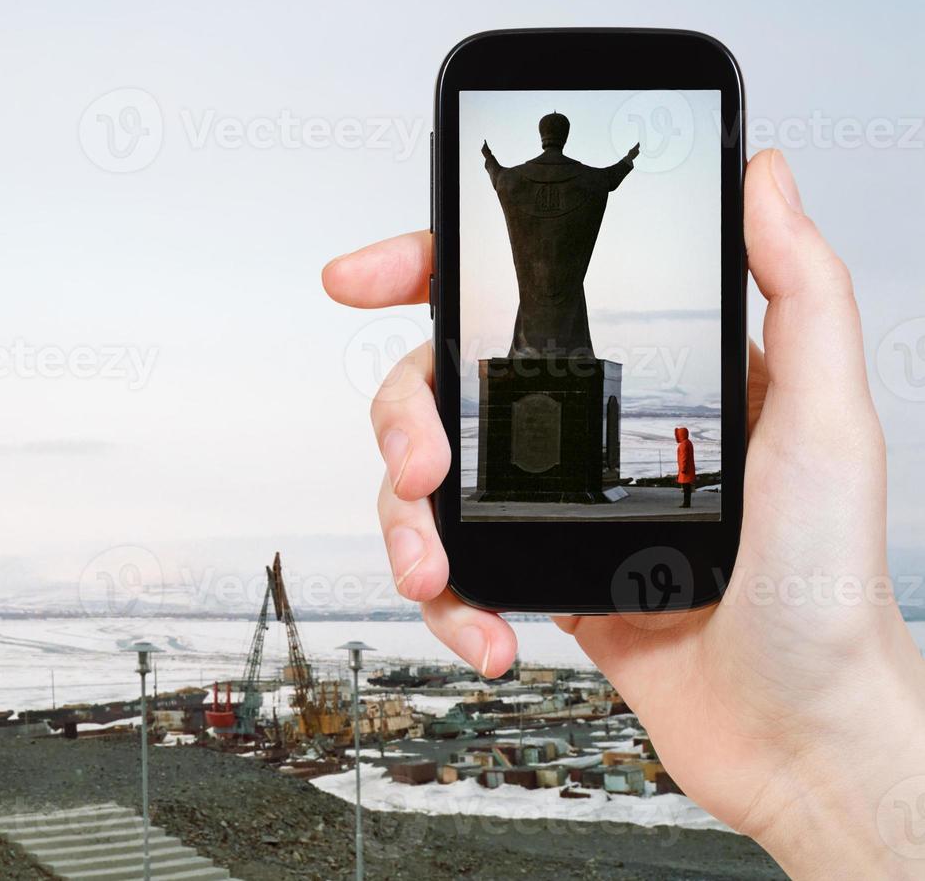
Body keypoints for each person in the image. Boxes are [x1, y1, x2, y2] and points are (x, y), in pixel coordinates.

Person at [323, 150, 924, 877]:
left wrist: (488, 164)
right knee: (556, 307)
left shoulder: (522, 180)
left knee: (539, 310)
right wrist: (827, 758)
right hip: (564, 313)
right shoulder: (578, 178)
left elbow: (503, 181)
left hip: (538, 315)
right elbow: (604, 180)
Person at [675, 426, 696, 507]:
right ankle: (687, 503)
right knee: (687, 488)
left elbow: (684, 457)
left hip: (685, 470)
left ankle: (686, 503)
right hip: (689, 468)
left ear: (681, 434)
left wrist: (683, 468)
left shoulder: (683, 444)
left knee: (686, 488)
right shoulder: (688, 442)